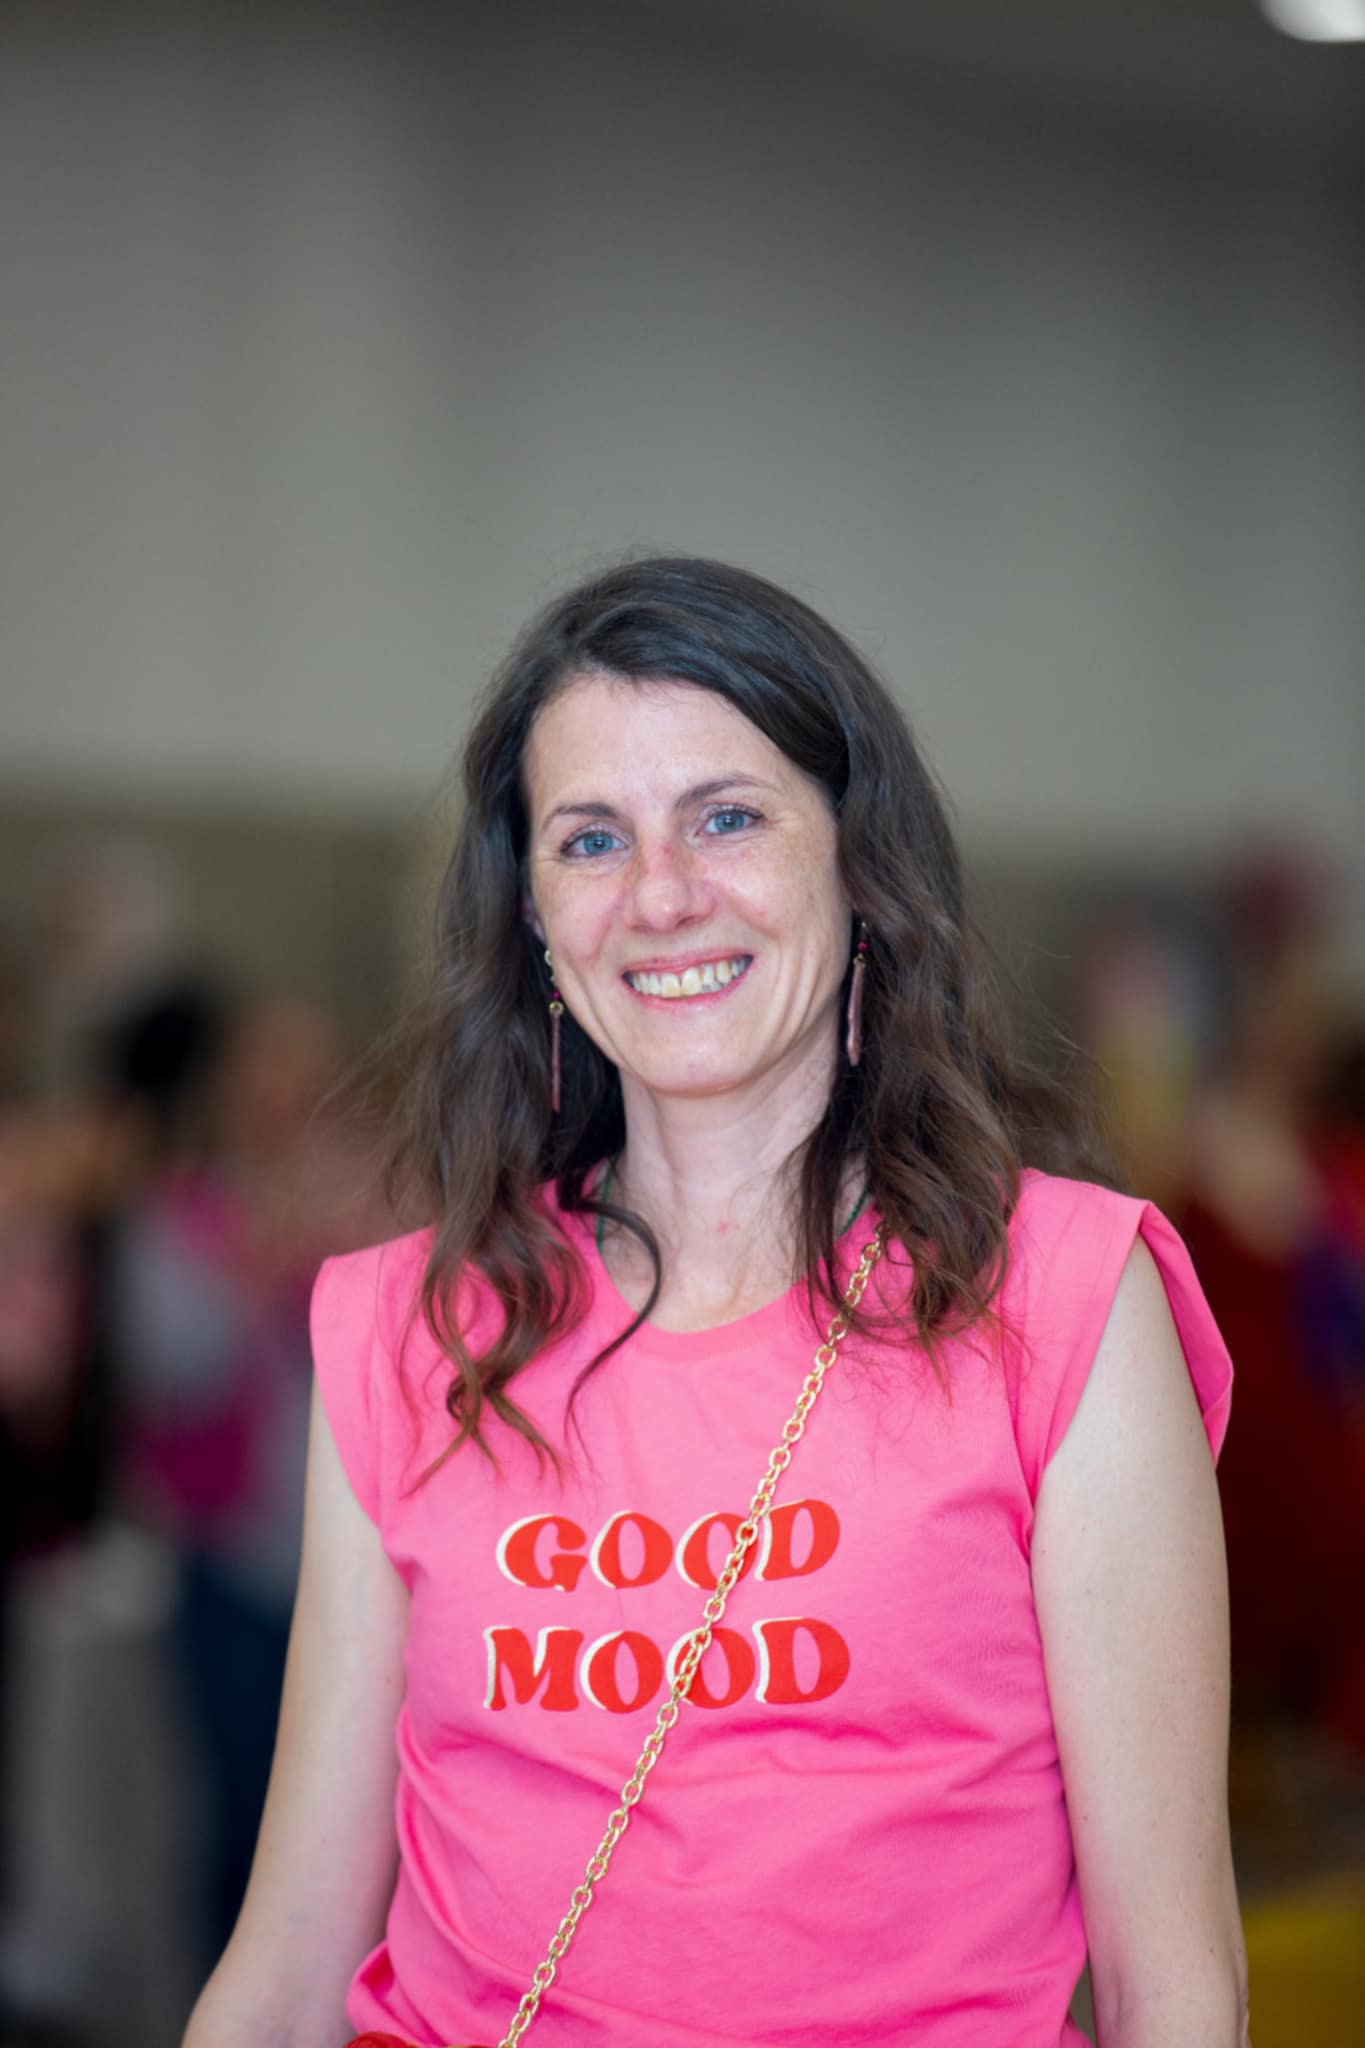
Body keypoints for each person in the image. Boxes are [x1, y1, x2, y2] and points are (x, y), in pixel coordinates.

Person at [183, 558, 1248, 2048]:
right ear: (535, 916)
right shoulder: (408, 1327)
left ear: (858, 866)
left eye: (727, 817)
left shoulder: (1064, 1300)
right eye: (591, 840)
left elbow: (1171, 1983)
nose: (663, 896)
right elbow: (288, 1964)